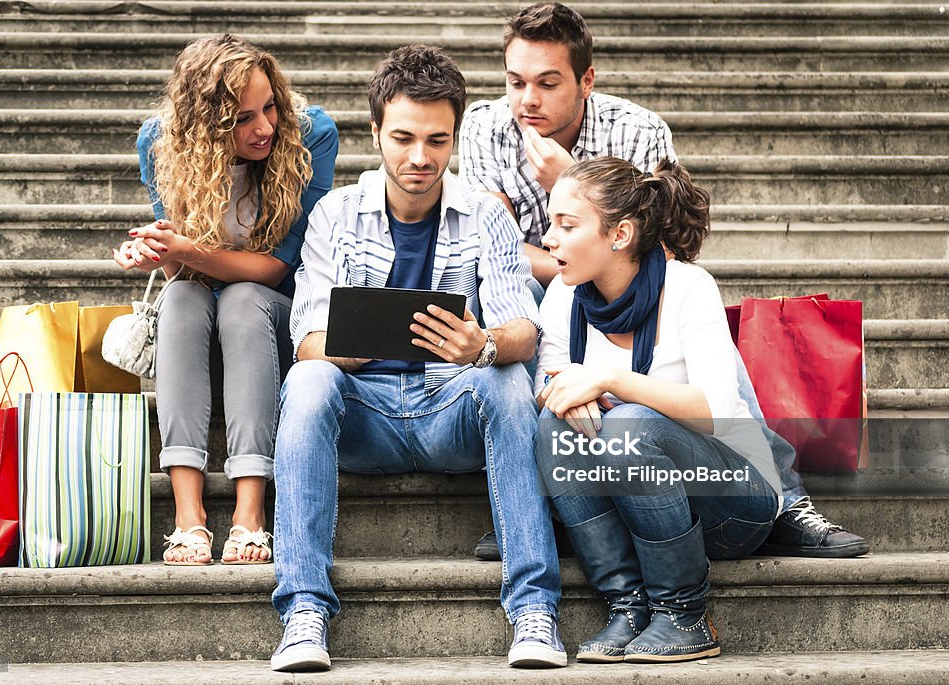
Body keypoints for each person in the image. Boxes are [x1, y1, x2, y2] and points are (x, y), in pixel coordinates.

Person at [460, 2, 868, 561]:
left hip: (635, 287)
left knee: (691, 300)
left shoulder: (636, 129)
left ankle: (784, 496)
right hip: (545, 287)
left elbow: (667, 254)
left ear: (586, 81)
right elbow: (496, 249)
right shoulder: (486, 126)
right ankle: (539, 500)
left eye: (547, 83)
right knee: (517, 305)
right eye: (515, 82)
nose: (527, 100)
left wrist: (573, 182)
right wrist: (573, 257)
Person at [269, 45, 565, 672]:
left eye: (437, 140)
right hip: (363, 417)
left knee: (508, 378)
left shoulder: (487, 216)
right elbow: (306, 339)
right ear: (375, 131)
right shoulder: (334, 214)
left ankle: (535, 610)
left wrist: (482, 344)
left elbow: (524, 330)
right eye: (403, 138)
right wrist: (351, 343)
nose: (420, 158)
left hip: (448, 410)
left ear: (454, 136)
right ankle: (303, 613)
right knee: (309, 379)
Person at [535, 156, 781, 662]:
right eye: (549, 222)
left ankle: (685, 613)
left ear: (620, 234)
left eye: (567, 225)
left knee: (628, 425)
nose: (549, 239)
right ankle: (628, 605)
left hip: (733, 504)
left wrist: (610, 379)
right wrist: (565, 399)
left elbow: (714, 411)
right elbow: (548, 382)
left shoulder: (689, 287)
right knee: (550, 425)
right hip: (638, 506)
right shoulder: (564, 296)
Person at [112, 34, 338, 566]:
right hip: (198, 327)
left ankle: (249, 513)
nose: (264, 127)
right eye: (241, 119)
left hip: (271, 319)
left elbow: (281, 267)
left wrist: (191, 251)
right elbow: (183, 270)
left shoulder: (311, 136)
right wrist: (160, 252)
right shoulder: (160, 142)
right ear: (205, 128)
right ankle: (188, 517)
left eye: (270, 108)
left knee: (242, 297)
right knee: (183, 297)